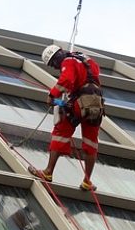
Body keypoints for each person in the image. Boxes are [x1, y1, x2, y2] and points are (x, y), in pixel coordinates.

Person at [29, 44, 105, 191]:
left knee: (60, 132)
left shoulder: (68, 61)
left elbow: (66, 80)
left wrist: (52, 95)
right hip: (96, 103)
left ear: (56, 57)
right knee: (91, 142)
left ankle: (48, 172)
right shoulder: (86, 59)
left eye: (53, 64)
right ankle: (87, 181)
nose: (56, 67)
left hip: (79, 102)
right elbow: (92, 74)